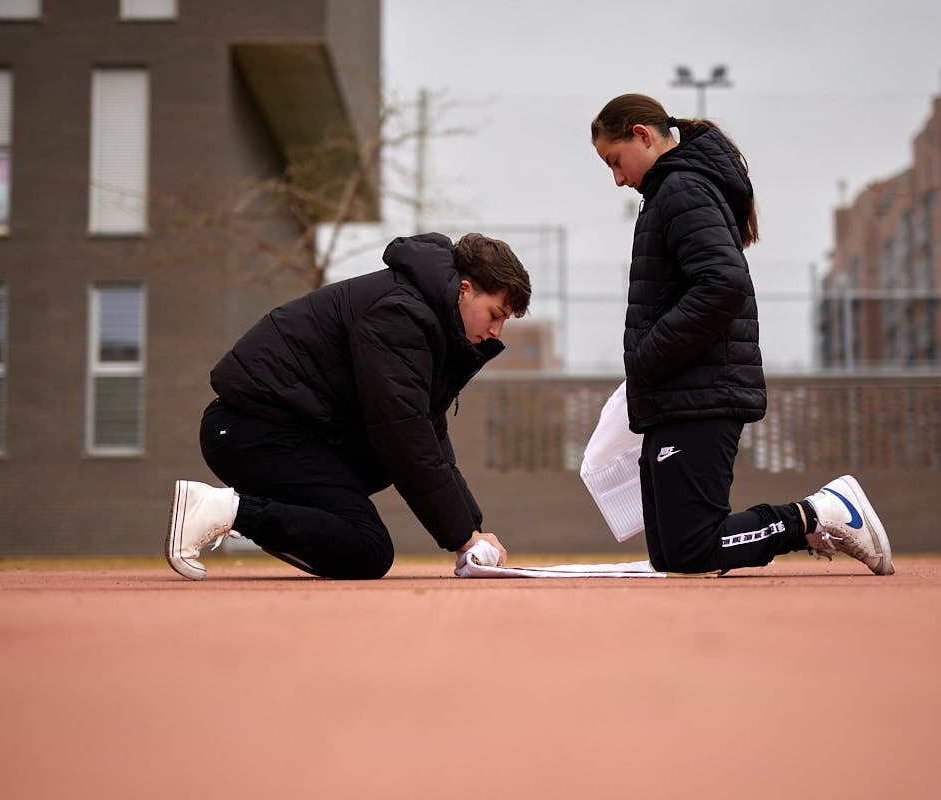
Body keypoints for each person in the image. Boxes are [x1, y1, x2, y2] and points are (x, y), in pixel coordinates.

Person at [590, 93, 893, 576]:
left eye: (615, 160)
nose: (618, 178)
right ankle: (811, 518)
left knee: (692, 550)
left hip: (698, 393)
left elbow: (723, 284)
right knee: (670, 555)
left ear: (642, 136)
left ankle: (820, 512)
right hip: (677, 393)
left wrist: (649, 355)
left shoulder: (682, 190)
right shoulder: (674, 192)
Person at [165, 232, 531, 580]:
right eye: (495, 314)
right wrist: (463, 538)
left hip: (279, 430)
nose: (496, 332)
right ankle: (218, 510)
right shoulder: (401, 316)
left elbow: (428, 434)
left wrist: (471, 532)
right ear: (464, 290)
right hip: (251, 429)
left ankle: (263, 519)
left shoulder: (426, 321)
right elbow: (404, 435)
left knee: (365, 523)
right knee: (367, 546)